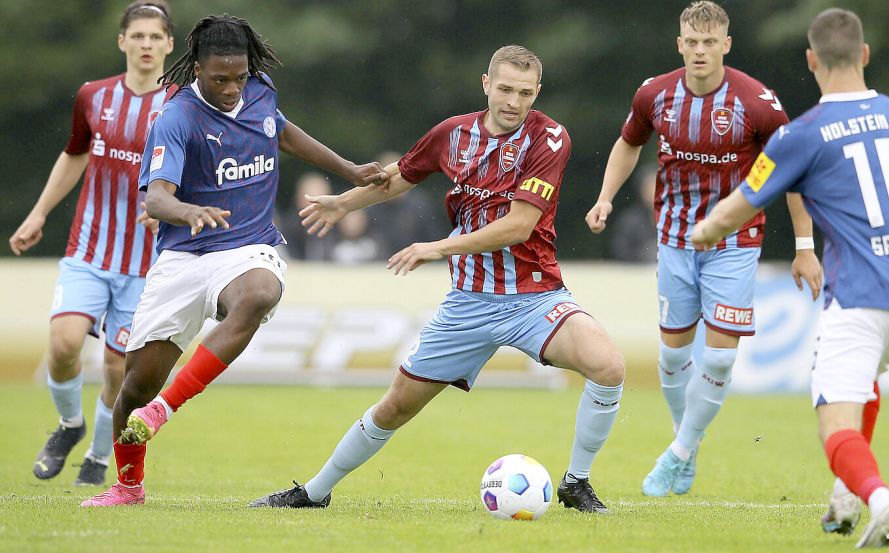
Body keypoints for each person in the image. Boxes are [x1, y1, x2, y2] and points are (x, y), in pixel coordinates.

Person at [249, 45, 625, 514]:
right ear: (486, 84)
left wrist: (436, 248)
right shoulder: (453, 134)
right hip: (467, 304)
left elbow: (518, 226)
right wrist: (343, 203)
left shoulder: (549, 139)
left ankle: (576, 482)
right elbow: (401, 176)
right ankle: (313, 492)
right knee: (394, 408)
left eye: (525, 93)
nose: (513, 101)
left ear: (537, 93)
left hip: (534, 297)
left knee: (608, 367)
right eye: (505, 89)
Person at [690, 8, 889, 547]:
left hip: (864, 302)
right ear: (865, 55)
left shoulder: (803, 134)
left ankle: (879, 501)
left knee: (834, 422)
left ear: (811, 60)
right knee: (865, 376)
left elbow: (733, 211)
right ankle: (843, 497)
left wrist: (702, 234)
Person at [81, 13, 388, 507]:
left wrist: (348, 169)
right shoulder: (176, 117)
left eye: (238, 77)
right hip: (183, 256)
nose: (231, 88)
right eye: (219, 79)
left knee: (260, 293)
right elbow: (156, 200)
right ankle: (128, 486)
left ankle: (165, 410)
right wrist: (190, 210)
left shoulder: (261, 91)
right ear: (196, 70)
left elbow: (282, 133)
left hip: (248, 246)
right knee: (134, 387)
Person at [585, 0, 823, 497]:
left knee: (716, 360)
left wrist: (805, 245)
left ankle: (679, 453)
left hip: (735, 241)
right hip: (672, 240)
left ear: (726, 46)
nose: (699, 51)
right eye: (691, 42)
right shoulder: (655, 94)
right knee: (672, 359)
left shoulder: (757, 102)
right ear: (679, 44)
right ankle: (685, 441)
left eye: (709, 43)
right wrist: (606, 197)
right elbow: (629, 142)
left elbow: (791, 169)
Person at [8, 1, 177, 487]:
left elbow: (196, 169)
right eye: (137, 36)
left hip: (147, 263)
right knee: (63, 344)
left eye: (155, 37)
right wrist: (38, 213)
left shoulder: (181, 103)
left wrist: (174, 208)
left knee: (116, 369)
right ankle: (69, 425)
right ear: (122, 42)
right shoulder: (93, 96)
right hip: (90, 248)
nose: (146, 44)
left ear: (168, 44)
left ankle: (99, 458)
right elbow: (74, 154)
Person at [609, 163, 660, 263]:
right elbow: (620, 251)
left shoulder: (677, 218)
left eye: (657, 186)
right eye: (649, 187)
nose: (653, 192)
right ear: (641, 191)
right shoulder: (629, 220)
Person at [278, 171, 334, 260]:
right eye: (312, 200)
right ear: (299, 199)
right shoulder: (289, 227)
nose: (317, 206)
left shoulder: (337, 225)